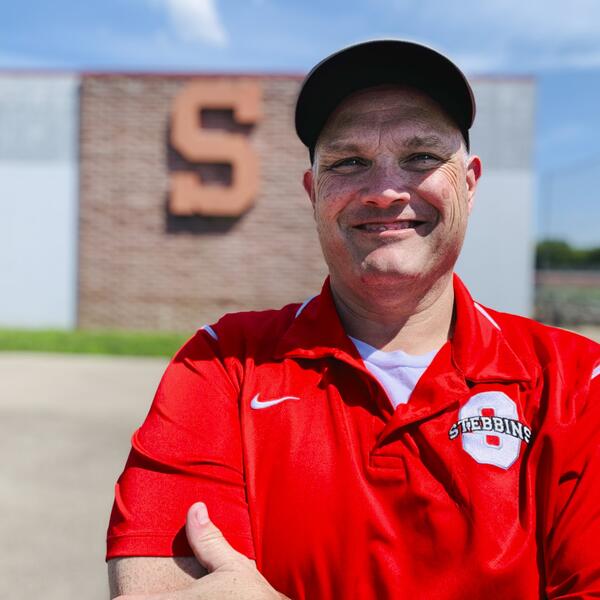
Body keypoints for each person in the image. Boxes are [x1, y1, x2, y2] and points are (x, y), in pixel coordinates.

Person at [107, 40, 600, 599]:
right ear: (313, 192)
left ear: (469, 184)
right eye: (349, 163)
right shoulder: (223, 364)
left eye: (421, 157)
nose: (385, 191)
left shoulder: (576, 382)